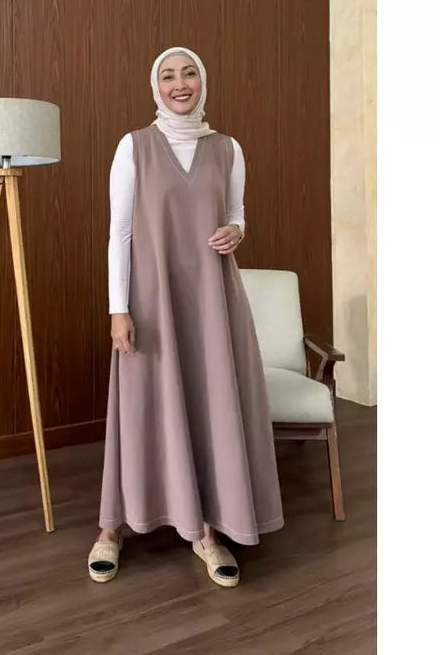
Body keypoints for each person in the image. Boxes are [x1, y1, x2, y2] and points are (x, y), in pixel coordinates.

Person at [87, 46, 284, 588]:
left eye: (189, 72)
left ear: (203, 81)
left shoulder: (228, 149)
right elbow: (119, 233)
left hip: (214, 301)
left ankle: (207, 531)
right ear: (156, 86)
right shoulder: (134, 148)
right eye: (169, 75)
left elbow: (237, 214)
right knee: (143, 406)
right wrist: (118, 308)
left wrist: (238, 231)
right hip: (151, 303)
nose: (180, 83)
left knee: (212, 404)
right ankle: (112, 528)